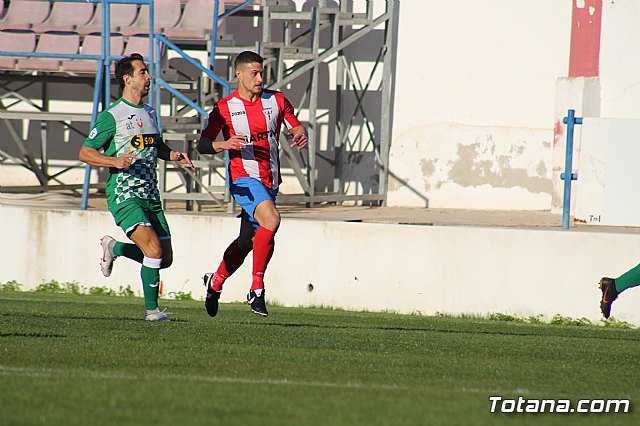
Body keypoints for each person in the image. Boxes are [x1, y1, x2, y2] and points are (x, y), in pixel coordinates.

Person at [79, 53, 195, 322]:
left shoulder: (151, 112)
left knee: (163, 259)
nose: (149, 77)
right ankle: (153, 312)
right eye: (143, 72)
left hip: (150, 194)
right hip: (124, 193)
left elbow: (156, 146)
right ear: (127, 79)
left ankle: (114, 248)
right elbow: (85, 152)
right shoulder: (112, 116)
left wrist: (174, 155)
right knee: (152, 251)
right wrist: (115, 161)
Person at [197, 50, 308, 317]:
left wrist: (300, 132)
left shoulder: (277, 101)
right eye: (254, 73)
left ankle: (215, 281)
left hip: (270, 179)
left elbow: (295, 125)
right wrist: (223, 144)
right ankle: (256, 288)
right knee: (272, 219)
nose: (260, 79)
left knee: (247, 240)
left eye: (261, 73)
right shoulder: (225, 108)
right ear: (239, 74)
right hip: (244, 179)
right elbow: (202, 144)